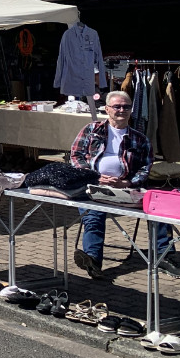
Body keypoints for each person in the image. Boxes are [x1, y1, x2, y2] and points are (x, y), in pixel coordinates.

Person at [69, 91, 164, 279]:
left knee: (159, 208)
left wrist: (128, 182)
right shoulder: (91, 129)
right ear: (107, 109)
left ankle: (165, 256)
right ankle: (93, 262)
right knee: (93, 215)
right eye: (117, 106)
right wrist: (95, 176)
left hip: (125, 188)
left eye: (126, 107)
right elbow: (75, 156)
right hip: (93, 185)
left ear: (131, 110)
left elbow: (146, 167)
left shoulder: (140, 139)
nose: (121, 110)